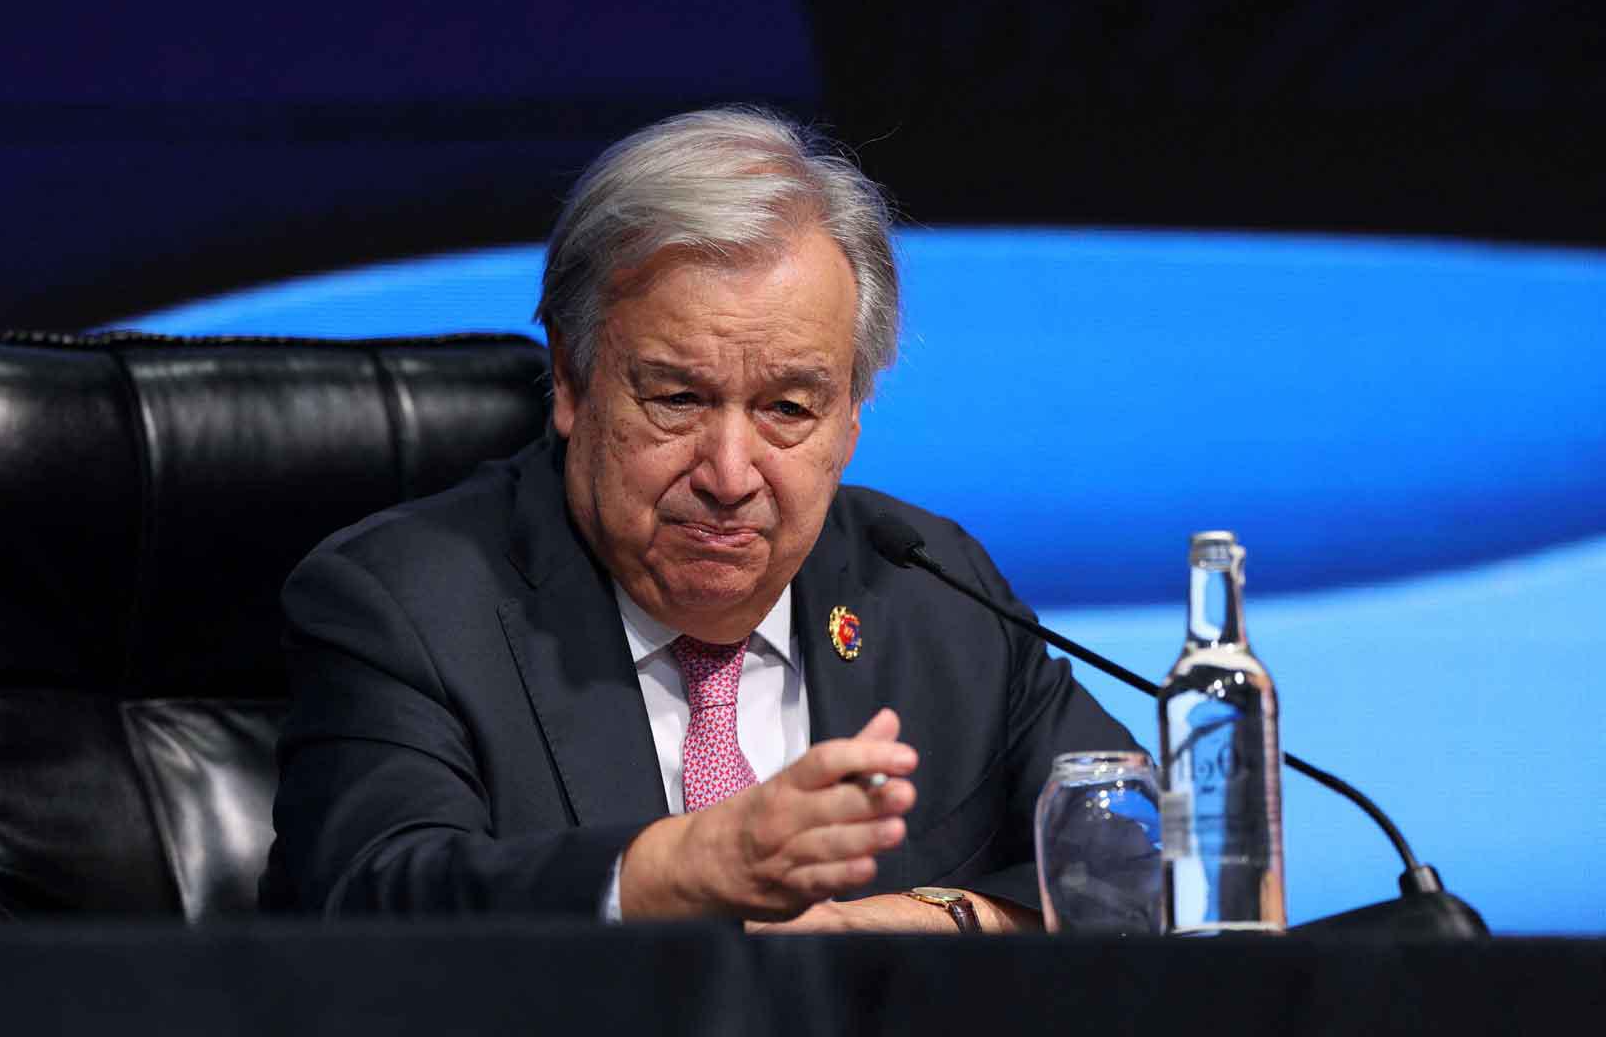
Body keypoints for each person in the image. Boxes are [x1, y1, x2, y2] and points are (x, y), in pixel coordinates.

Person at [262, 107, 1139, 931]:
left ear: (852, 416)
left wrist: (938, 924)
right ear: (571, 381)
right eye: (678, 398)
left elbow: (1149, 857)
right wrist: (678, 869)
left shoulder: (927, 585)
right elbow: (372, 905)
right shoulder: (405, 605)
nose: (729, 474)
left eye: (789, 409)